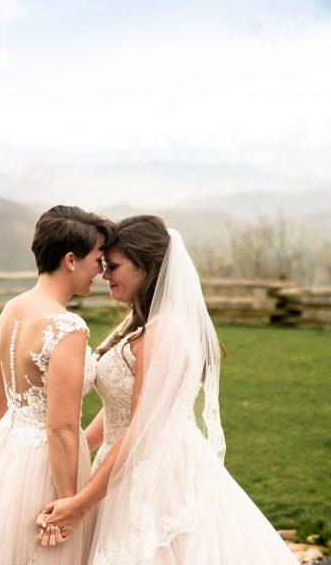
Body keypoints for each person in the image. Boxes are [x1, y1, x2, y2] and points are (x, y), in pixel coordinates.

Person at [36, 215, 299, 565]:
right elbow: (123, 403)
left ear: (146, 268)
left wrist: (82, 504)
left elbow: (142, 426)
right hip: (122, 464)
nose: (104, 274)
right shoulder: (140, 323)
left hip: (160, 476)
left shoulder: (164, 331)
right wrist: (81, 447)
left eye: (113, 266)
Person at [0, 205, 113, 565]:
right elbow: (62, 428)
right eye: (97, 260)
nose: (101, 272)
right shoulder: (67, 327)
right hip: (49, 466)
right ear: (71, 260)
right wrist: (69, 503)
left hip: (5, 452)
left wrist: (18, 450)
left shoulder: (12, 308)